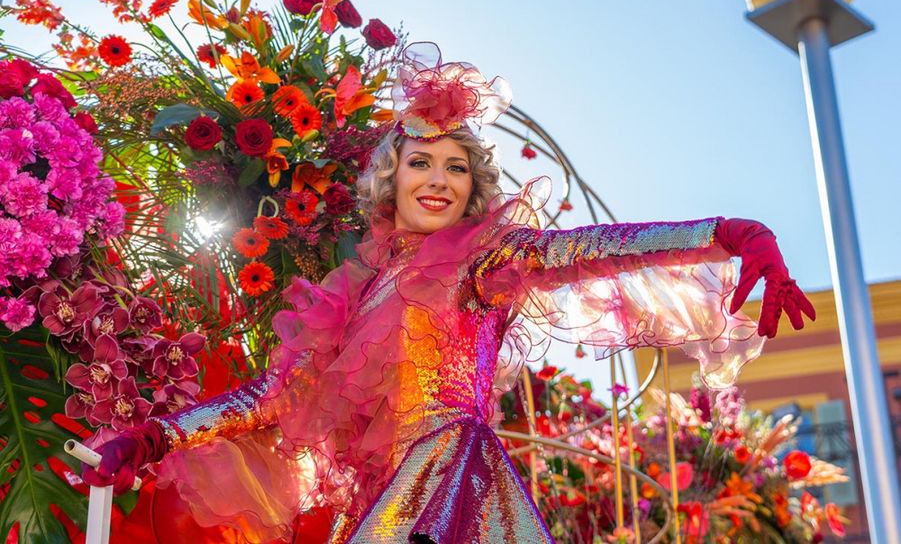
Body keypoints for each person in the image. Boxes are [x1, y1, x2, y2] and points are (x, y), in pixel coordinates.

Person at [84, 43, 815, 544]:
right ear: (389, 181)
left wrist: (724, 232)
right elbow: (268, 400)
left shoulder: (482, 261)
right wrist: (154, 437)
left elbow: (587, 250)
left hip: (447, 482)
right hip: (373, 504)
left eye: (456, 168)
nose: (437, 179)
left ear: (473, 187)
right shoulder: (351, 296)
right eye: (420, 163)